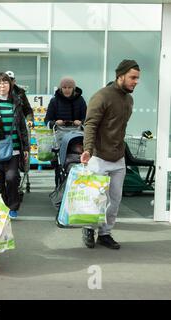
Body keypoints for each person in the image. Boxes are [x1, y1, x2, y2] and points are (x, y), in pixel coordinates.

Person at [80, 59, 140, 250]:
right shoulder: (102, 96)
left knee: (115, 200)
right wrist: (88, 149)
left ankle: (105, 234)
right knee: (96, 198)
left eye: (137, 78)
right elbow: (90, 124)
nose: (135, 81)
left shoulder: (129, 100)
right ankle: (89, 228)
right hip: (98, 157)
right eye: (132, 77)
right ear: (120, 75)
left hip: (118, 158)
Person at [0, 72, 29, 219]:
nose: (2, 85)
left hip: (15, 148)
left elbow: (22, 127)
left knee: (12, 178)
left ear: (10, 85)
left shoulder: (16, 101)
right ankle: (2, 205)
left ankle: (13, 207)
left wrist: (26, 148)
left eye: (5, 83)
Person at [44, 77, 87, 187]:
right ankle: (59, 184)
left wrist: (81, 122)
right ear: (60, 88)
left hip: (77, 134)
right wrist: (55, 122)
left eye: (69, 87)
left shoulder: (80, 100)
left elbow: (87, 119)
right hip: (60, 133)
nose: (67, 90)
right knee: (58, 159)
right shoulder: (54, 101)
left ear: (74, 88)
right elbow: (47, 120)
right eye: (64, 87)